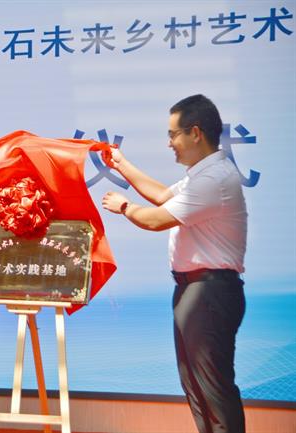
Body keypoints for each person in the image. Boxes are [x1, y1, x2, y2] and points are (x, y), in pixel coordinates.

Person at [101, 95, 247, 433]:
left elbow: (155, 219)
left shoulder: (215, 179)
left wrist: (124, 207)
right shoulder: (202, 175)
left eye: (173, 135)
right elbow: (161, 195)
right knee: (196, 386)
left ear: (195, 132)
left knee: (214, 390)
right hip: (193, 290)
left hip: (210, 293)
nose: (169, 144)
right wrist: (121, 164)